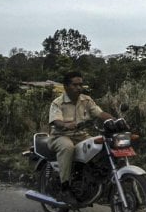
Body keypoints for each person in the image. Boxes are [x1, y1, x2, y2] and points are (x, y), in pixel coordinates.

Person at [48, 70, 113, 205]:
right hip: (60, 136)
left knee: (99, 144)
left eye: (81, 85)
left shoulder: (86, 100)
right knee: (67, 147)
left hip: (81, 136)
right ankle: (64, 189)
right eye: (75, 85)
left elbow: (99, 113)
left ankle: (92, 178)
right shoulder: (57, 103)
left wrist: (115, 121)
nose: (79, 88)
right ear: (66, 86)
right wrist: (66, 125)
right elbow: (56, 121)